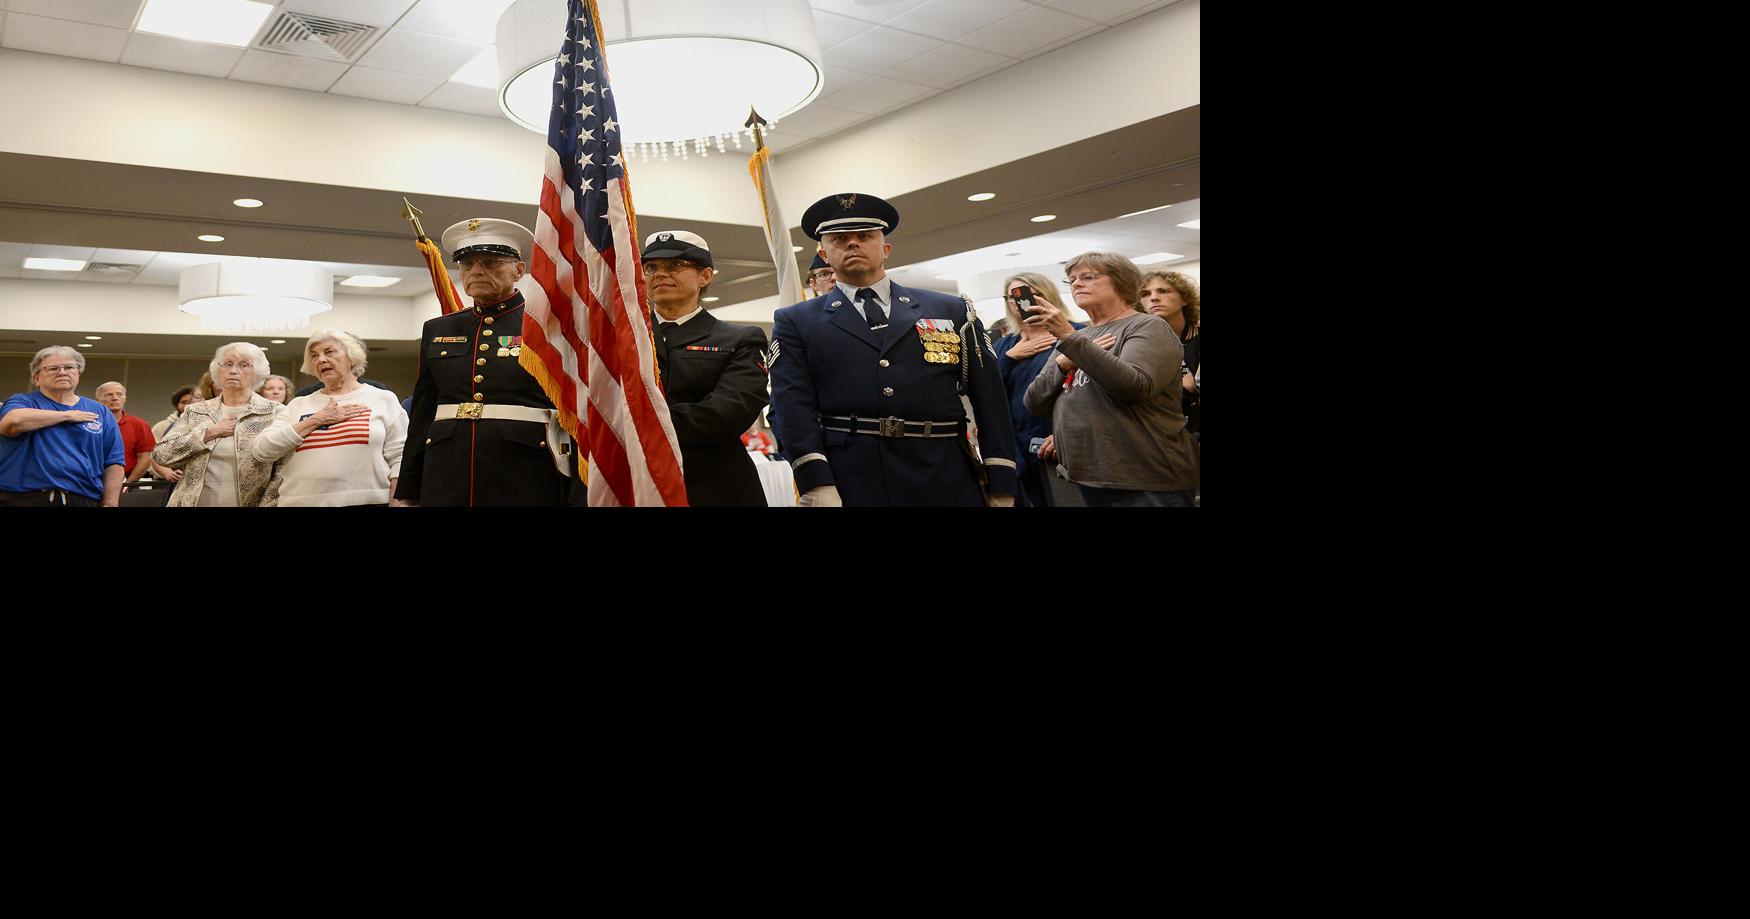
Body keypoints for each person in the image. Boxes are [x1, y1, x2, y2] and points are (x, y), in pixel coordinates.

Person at [768, 192, 1016, 507]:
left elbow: (990, 399)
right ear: (824, 254)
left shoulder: (950, 309)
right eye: (840, 238)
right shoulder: (798, 321)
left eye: (864, 236)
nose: (852, 244)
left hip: (945, 471)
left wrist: (1002, 479)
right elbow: (792, 406)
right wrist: (816, 481)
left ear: (885, 249)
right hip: (853, 477)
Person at [394, 217, 573, 507]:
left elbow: (573, 409)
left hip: (525, 469)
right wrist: (408, 489)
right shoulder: (439, 329)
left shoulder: (547, 325)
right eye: (467, 264)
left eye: (490, 262)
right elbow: (424, 413)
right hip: (448, 469)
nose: (476, 271)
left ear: (518, 270)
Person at [1023, 252, 1197, 507]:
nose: (1077, 284)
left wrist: (1072, 342)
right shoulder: (1074, 338)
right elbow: (1034, 402)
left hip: (1145, 478)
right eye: (1071, 280)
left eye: (1088, 277)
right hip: (1091, 477)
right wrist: (1062, 362)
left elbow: (1134, 386)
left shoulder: (1147, 326)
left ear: (1122, 281)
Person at [644, 229, 770, 506]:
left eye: (675, 265)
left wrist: (640, 425)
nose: (660, 274)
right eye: (651, 267)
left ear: (705, 276)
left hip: (713, 485)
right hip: (636, 481)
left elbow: (729, 411)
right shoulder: (626, 338)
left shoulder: (740, 339)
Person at [252, 330, 408, 507]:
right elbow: (262, 450)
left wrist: (397, 500)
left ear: (352, 356)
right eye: (314, 356)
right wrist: (316, 420)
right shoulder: (298, 405)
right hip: (301, 502)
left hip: (368, 500)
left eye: (329, 352)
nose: (321, 359)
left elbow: (400, 456)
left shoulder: (382, 399)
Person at [153, 342, 288, 507]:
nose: (233, 370)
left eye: (244, 365)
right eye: (228, 364)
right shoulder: (196, 411)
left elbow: (284, 470)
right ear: (218, 371)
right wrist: (207, 433)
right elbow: (161, 455)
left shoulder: (275, 412)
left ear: (257, 371)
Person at [992, 273, 1084, 508]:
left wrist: (1066, 433)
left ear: (1048, 297)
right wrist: (1009, 358)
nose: (1023, 301)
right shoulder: (1003, 346)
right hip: (1018, 444)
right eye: (1014, 296)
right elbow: (987, 392)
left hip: (1062, 440)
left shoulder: (1074, 335)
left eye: (1034, 294)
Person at [0, 346, 124, 507]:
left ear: (78, 373)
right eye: (53, 368)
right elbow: (13, 422)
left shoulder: (100, 411)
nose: (62, 372)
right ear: (36, 377)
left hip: (81, 498)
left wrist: (110, 503)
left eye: (69, 367)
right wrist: (67, 415)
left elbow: (113, 461)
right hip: (23, 498)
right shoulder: (22, 402)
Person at [1140, 270, 1200, 436]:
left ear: (1184, 299)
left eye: (1163, 291)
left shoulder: (1196, 336)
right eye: (1145, 294)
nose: (1153, 298)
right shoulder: (1138, 344)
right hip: (1162, 435)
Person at [94, 381, 157, 487]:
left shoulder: (139, 424)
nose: (115, 398)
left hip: (126, 481)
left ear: (125, 398)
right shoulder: (89, 423)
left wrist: (128, 484)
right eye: (109, 395)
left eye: (119, 394)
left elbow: (145, 459)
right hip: (92, 481)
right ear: (98, 401)